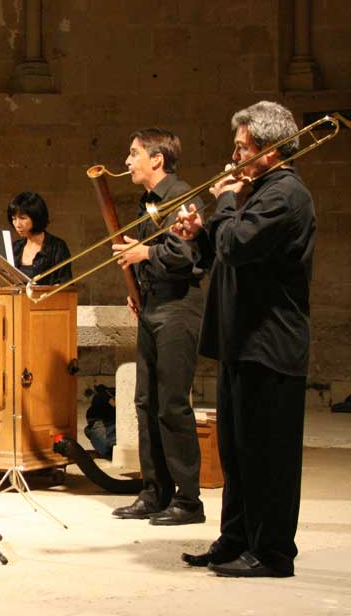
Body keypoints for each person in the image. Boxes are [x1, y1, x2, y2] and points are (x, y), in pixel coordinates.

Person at [175, 101, 314, 577]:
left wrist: (227, 200)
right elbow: (222, 247)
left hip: (270, 344)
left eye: (240, 147)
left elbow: (236, 245)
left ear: (269, 150)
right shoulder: (260, 191)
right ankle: (235, 539)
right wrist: (199, 231)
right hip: (242, 342)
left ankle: (272, 553)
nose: (231, 158)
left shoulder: (286, 195)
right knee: (237, 452)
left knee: (267, 457)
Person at [109, 128, 207, 525]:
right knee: (145, 401)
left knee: (171, 404)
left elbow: (183, 254)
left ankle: (189, 500)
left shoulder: (182, 197)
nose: (128, 162)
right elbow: (150, 258)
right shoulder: (148, 201)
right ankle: (154, 491)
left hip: (179, 308)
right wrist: (138, 286)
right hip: (153, 306)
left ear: (157, 159)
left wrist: (143, 252)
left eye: (133, 154)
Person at [7, 191, 72, 284]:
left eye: (22, 218)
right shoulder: (15, 247)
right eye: (14, 219)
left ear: (36, 217)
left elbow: (65, 285)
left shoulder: (57, 247)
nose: (17, 224)